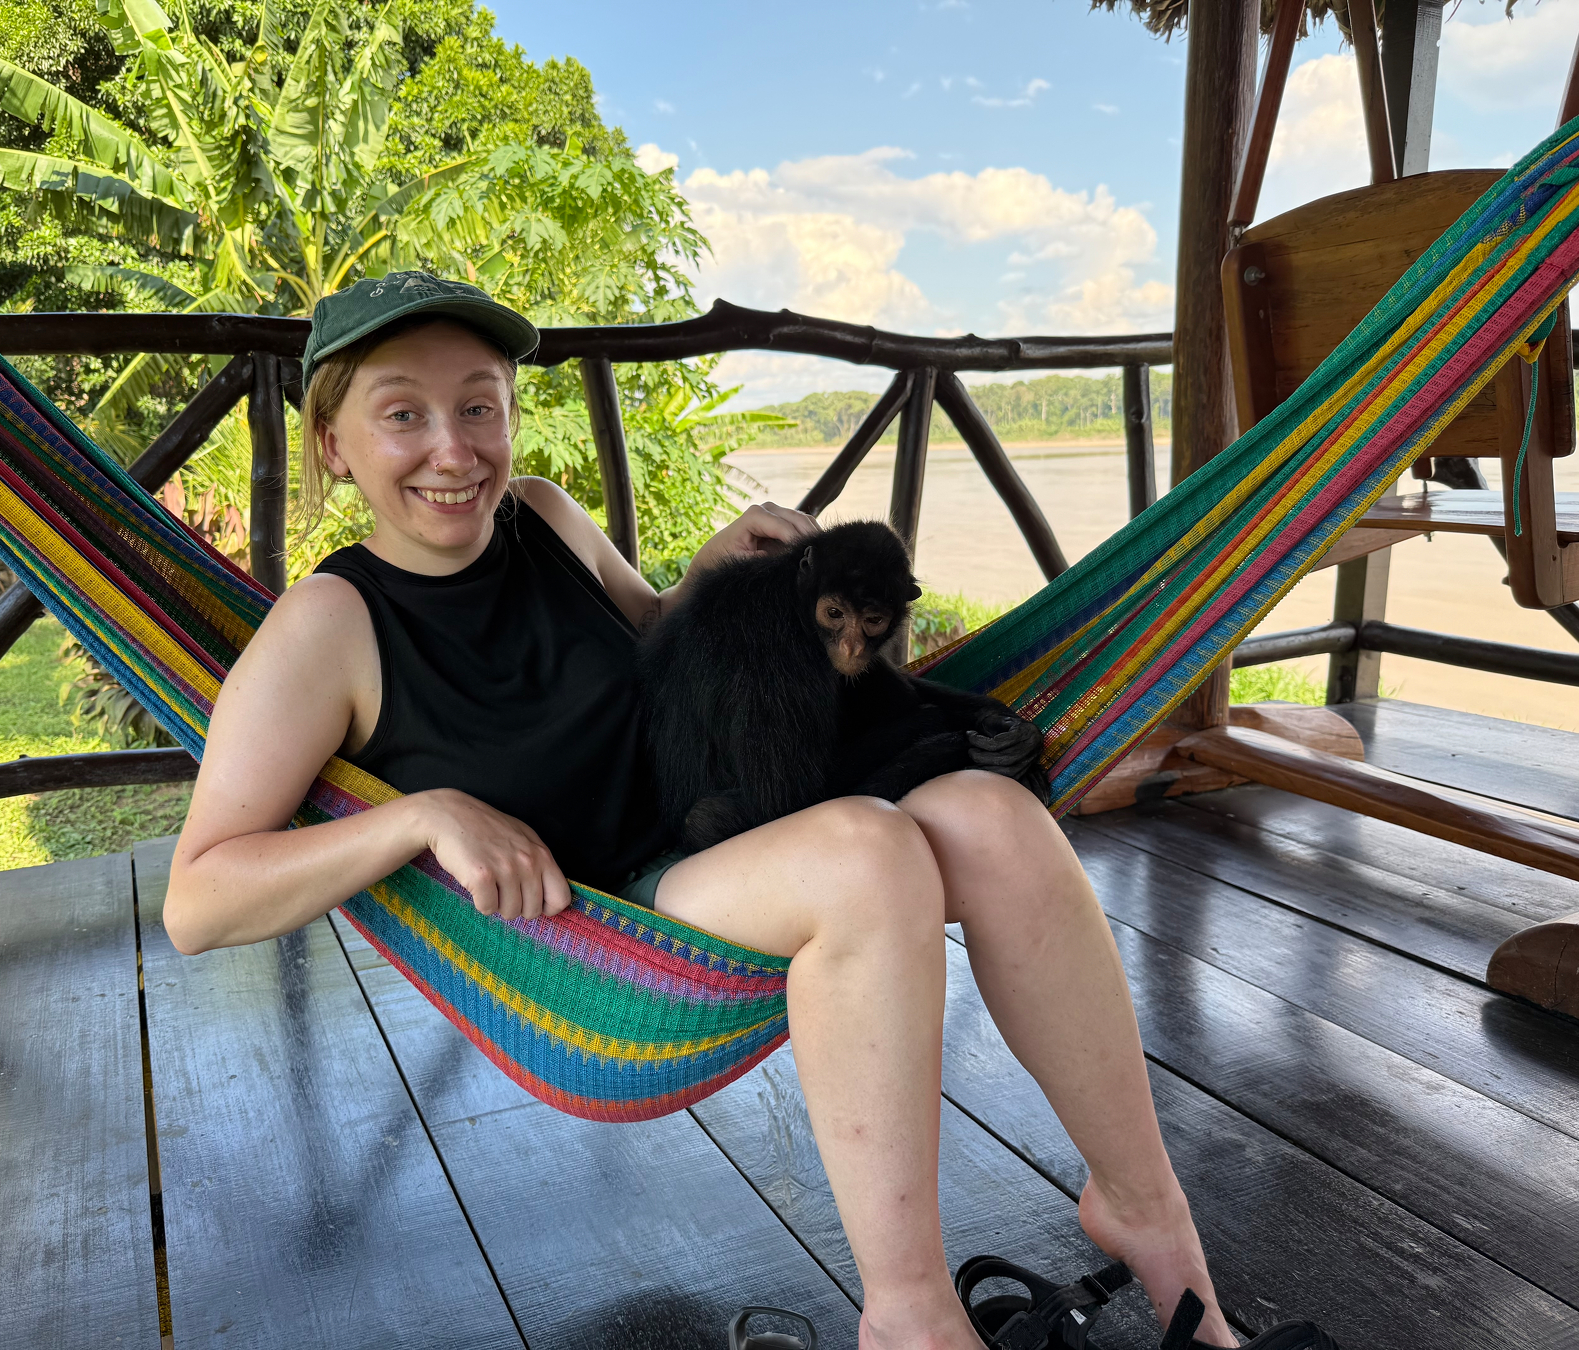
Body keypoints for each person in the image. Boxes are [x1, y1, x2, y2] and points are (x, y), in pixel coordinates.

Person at [162, 273, 1237, 1350]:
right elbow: (199, 900)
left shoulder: (539, 514)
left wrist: (709, 574)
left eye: (480, 404)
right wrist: (418, 818)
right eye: (403, 414)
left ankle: (1147, 1213)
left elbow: (656, 639)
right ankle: (912, 1320)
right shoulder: (327, 628)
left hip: (717, 821)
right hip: (600, 932)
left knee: (995, 815)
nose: (454, 450)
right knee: (869, 855)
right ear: (334, 443)